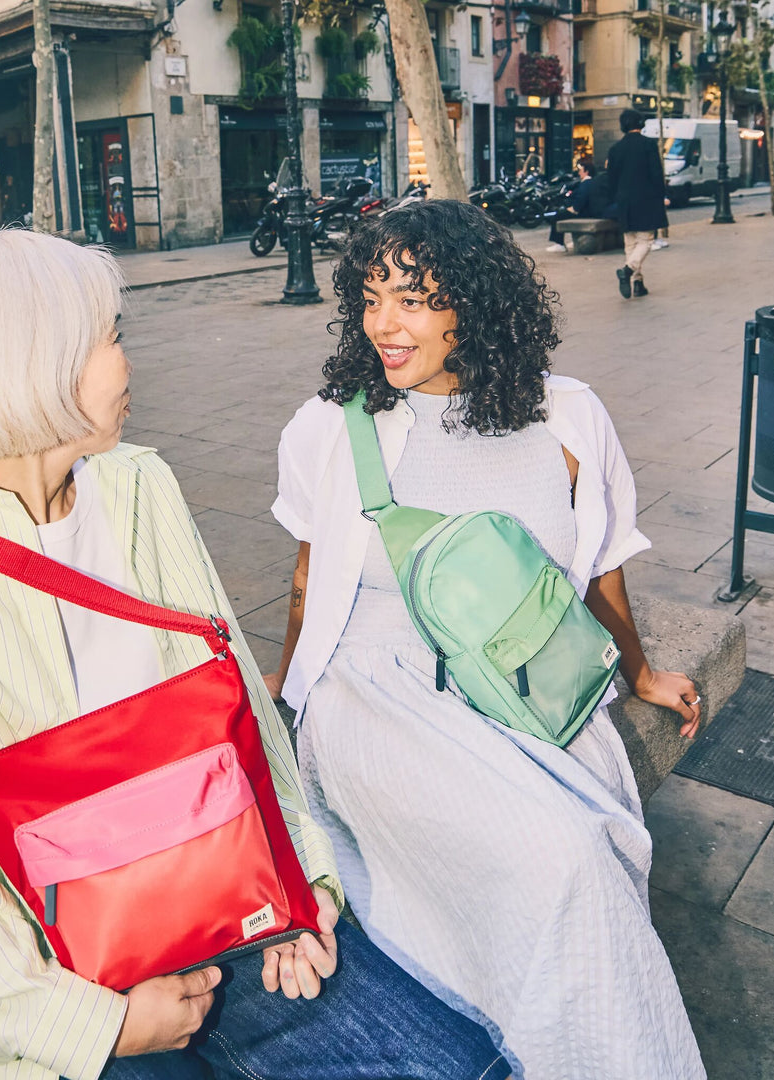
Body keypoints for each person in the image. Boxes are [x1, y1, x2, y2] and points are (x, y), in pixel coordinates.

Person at [0, 229, 509, 1080]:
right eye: (112, 336)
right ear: (39, 362)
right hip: (46, 988)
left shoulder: (141, 484)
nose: (128, 361)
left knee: (462, 1068)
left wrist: (304, 893)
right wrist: (95, 1025)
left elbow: (240, 718)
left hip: (223, 903)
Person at [264, 201, 706, 1080]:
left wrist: (642, 673)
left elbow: (599, 568)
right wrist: (281, 702)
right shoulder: (331, 426)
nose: (385, 324)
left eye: (417, 300)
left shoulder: (568, 416)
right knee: (566, 857)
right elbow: (310, 583)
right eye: (372, 296)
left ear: (475, 304)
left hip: (525, 677)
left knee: (580, 845)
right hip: (378, 690)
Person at [607, 109, 668, 298]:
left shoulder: (615, 149)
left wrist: (615, 198)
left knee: (630, 243)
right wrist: (662, 195)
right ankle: (628, 270)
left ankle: (638, 283)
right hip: (646, 198)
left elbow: (612, 179)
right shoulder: (648, 145)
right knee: (645, 240)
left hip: (624, 200)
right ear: (640, 123)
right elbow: (656, 174)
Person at [545, 156, 607, 252]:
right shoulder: (592, 182)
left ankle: (559, 243)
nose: (579, 173)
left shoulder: (586, 183)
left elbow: (581, 199)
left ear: (586, 171)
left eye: (581, 170)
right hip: (588, 210)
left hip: (583, 211)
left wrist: (574, 208)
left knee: (557, 216)